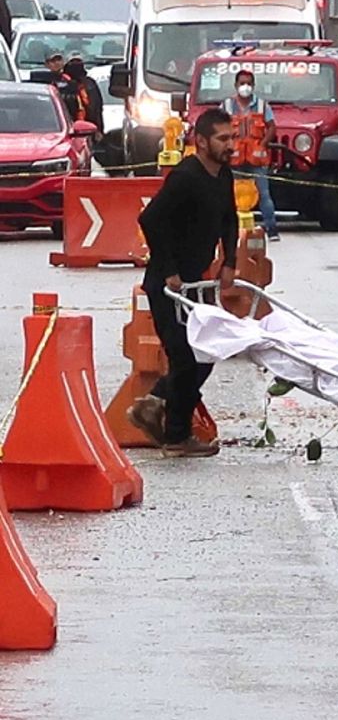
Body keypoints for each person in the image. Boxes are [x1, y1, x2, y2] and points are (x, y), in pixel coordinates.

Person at [125, 109, 239, 458]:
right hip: (167, 282)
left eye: (232, 137)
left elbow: (229, 219)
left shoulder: (223, 176)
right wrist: (170, 268)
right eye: (223, 139)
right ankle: (176, 435)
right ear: (201, 142)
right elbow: (151, 219)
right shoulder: (186, 177)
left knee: (204, 354)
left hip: (195, 282)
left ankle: (157, 404)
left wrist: (229, 261)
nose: (230, 145)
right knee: (187, 357)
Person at [222, 69, 279, 241]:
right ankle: (229, 231)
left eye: (248, 83)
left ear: (253, 86)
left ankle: (272, 230)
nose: (245, 87)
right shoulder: (226, 106)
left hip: (256, 158)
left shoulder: (262, 106)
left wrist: (262, 144)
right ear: (236, 85)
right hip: (234, 158)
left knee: (263, 194)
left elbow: (272, 127)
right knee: (229, 195)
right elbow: (218, 127)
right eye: (242, 83)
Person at [60, 56, 103, 134]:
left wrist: (98, 130)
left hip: (87, 127)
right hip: (69, 128)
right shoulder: (61, 86)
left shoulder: (89, 84)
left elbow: (96, 108)